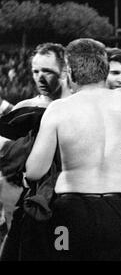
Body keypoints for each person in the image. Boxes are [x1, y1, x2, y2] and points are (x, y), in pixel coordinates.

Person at [24, 38, 121, 260]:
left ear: (71, 71)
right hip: (116, 209)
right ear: (104, 68)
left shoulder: (58, 109)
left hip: (69, 211)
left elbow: (35, 171)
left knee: (63, 257)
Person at [0, 43, 72, 261]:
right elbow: (6, 158)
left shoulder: (79, 107)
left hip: (68, 204)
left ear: (64, 71)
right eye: (35, 71)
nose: (40, 77)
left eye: (47, 71)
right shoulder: (25, 108)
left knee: (63, 253)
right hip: (31, 202)